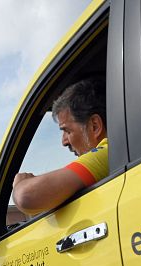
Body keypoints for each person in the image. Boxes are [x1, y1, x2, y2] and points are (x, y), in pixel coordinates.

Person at [13, 78, 108, 215]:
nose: (64, 142)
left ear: (94, 126)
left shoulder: (107, 153)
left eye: (67, 131)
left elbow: (26, 196)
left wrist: (20, 184)